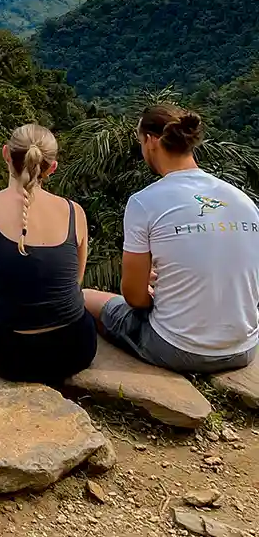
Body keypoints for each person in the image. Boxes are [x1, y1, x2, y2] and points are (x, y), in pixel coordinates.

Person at [83, 105, 259, 374]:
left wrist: (153, 297)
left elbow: (133, 296)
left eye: (140, 141)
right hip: (244, 348)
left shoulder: (145, 202)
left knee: (85, 297)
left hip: (178, 348)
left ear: (151, 142)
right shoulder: (242, 200)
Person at [0, 124, 96, 385]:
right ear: (52, 167)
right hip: (74, 349)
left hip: (10, 355)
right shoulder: (74, 211)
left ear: (5, 154)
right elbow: (74, 282)